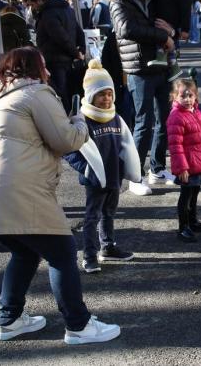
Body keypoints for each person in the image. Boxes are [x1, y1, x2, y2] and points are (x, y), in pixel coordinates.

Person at [0, 46, 121, 345]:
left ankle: (9, 319)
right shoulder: (35, 93)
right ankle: (79, 325)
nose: (47, 71)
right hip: (15, 187)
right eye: (43, 65)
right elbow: (66, 139)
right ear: (33, 68)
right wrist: (80, 120)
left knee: (24, 250)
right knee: (62, 251)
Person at [106, 0, 177, 196]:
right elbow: (126, 29)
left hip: (162, 66)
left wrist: (171, 32)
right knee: (144, 123)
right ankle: (135, 177)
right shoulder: (118, 2)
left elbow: (171, 21)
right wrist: (162, 37)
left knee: (164, 121)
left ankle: (157, 169)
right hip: (138, 69)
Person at [64, 59, 141, 273]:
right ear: (90, 96)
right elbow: (69, 150)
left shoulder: (116, 118)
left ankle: (107, 247)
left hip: (114, 177)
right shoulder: (83, 121)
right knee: (92, 217)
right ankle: (89, 255)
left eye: (109, 94)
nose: (106, 99)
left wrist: (131, 167)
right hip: (95, 179)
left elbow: (126, 144)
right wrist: (86, 168)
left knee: (109, 213)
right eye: (101, 94)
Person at [167, 78, 201, 242]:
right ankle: (183, 227)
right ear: (175, 97)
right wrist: (182, 168)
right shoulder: (176, 117)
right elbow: (175, 146)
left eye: (190, 95)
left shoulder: (198, 113)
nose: (187, 99)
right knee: (186, 196)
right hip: (188, 165)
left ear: (196, 96)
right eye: (183, 96)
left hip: (198, 163)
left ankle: (193, 221)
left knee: (195, 192)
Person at [23, 0, 86, 112]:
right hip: (67, 60)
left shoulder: (48, 14)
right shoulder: (67, 9)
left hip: (56, 61)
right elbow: (78, 31)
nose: (32, 8)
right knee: (70, 93)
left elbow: (61, 37)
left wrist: (77, 53)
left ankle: (67, 124)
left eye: (31, 5)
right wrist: (80, 50)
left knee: (61, 96)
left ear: (39, 0)